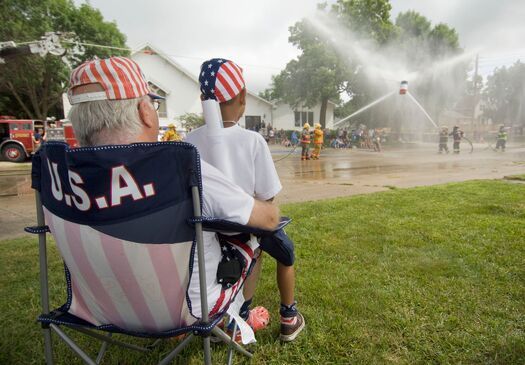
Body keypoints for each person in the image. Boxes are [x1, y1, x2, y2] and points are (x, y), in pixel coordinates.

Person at [66, 56, 280, 327]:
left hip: (102, 306)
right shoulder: (177, 164)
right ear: (145, 111)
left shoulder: (67, 177)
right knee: (255, 238)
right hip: (185, 308)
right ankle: (238, 317)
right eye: (154, 104)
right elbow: (269, 218)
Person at [186, 58, 305, 342]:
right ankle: (288, 316)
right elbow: (268, 199)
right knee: (284, 252)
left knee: (256, 247)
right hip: (244, 230)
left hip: (203, 234)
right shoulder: (252, 141)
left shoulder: (188, 141)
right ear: (242, 98)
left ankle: (241, 311)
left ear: (203, 100)